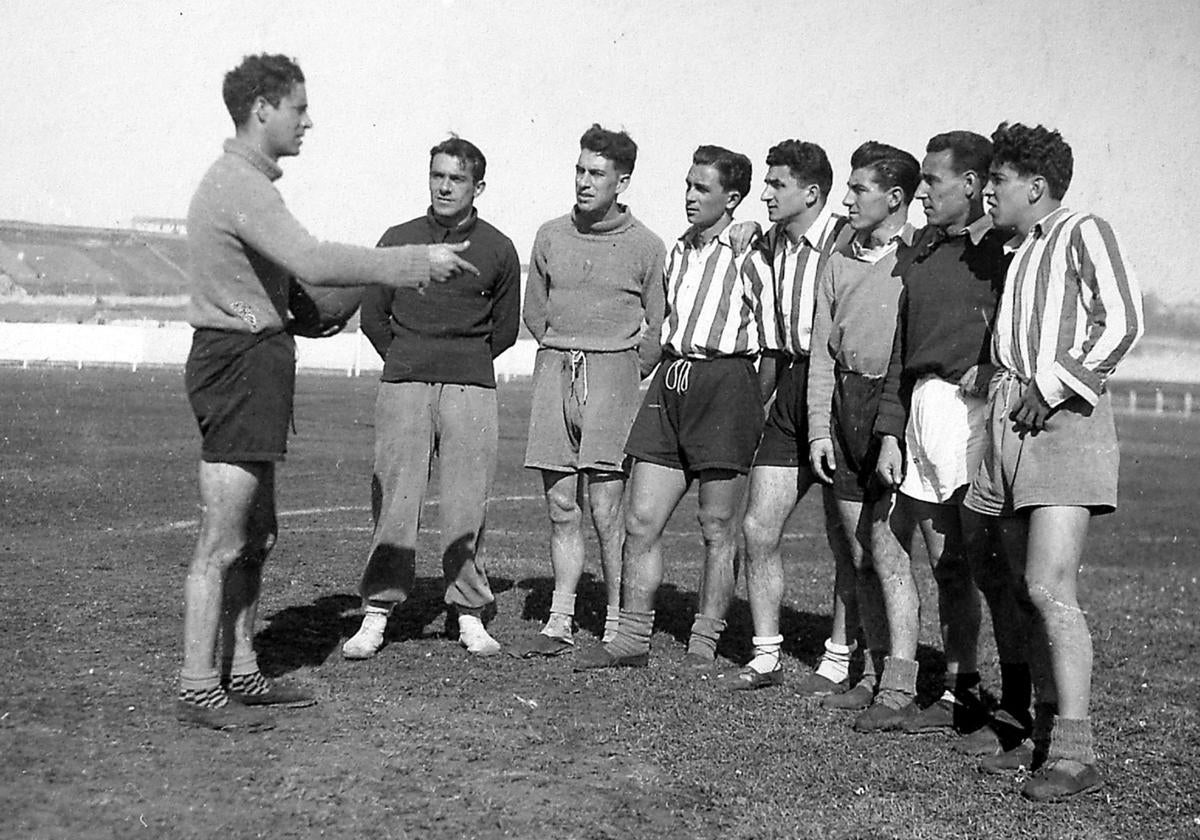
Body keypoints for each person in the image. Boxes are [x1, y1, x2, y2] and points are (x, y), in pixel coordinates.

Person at [179, 53, 477, 731]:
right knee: (222, 540)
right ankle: (199, 687)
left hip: (259, 359)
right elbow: (311, 260)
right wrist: (408, 264)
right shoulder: (238, 183)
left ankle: (244, 672)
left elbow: (289, 289)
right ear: (262, 109)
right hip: (237, 364)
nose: (306, 120)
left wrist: (317, 308)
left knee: (258, 537)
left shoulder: (250, 183)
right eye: (298, 107)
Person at [964, 122, 1143, 802]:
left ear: (1035, 187)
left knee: (1048, 587)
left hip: (1063, 421)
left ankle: (1076, 752)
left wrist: (1052, 383)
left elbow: (1123, 320)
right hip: (1011, 418)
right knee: (1010, 580)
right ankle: (1034, 737)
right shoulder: (1019, 248)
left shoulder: (1083, 229)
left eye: (999, 182)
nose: (988, 194)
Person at [576, 144, 774, 670]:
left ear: (732, 199)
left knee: (716, 527)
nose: (688, 196)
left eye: (701, 189)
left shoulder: (753, 254)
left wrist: (746, 400)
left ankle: (703, 642)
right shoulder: (679, 250)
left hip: (726, 385)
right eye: (687, 185)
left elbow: (773, 345)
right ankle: (632, 638)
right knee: (640, 518)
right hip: (673, 380)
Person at [866, 131, 1030, 738]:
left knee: (988, 566)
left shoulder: (1004, 255)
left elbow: (1022, 337)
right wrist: (889, 431)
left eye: (933, 181)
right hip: (922, 415)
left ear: (970, 184)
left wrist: (991, 371)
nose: (923, 192)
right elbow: (901, 351)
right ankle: (960, 693)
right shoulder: (926, 253)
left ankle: (1013, 700)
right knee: (946, 565)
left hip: (977, 418)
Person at [340, 137, 520, 661]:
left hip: (470, 387)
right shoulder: (399, 239)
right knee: (395, 498)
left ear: (477, 186)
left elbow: (504, 329)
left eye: (457, 179)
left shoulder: (498, 247)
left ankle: (468, 613)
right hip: (405, 384)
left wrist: (459, 361)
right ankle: (377, 612)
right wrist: (408, 358)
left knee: (467, 501)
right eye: (438, 175)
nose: (445, 186)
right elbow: (374, 314)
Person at [517, 124, 667, 656]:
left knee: (607, 511)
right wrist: (563, 347)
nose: (584, 181)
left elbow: (658, 324)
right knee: (561, 506)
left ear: (621, 181)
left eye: (597, 173)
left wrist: (624, 366)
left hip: (613, 379)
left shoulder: (647, 245)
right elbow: (534, 310)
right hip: (555, 370)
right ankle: (558, 620)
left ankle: (613, 620)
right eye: (579, 170)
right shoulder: (550, 234)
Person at [729, 140, 860, 692]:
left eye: (776, 184)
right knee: (758, 525)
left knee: (845, 535)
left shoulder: (845, 239)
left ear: (811, 192)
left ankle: (838, 657)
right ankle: (765, 654)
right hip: (787, 383)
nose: (764, 194)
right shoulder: (768, 242)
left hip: (836, 386)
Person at [805, 142, 919, 726]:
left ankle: (905, 684)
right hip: (844, 407)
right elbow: (823, 352)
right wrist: (819, 431)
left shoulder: (919, 257)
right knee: (857, 552)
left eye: (858, 189)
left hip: (895, 407)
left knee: (891, 551)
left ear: (895, 198)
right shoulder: (837, 259)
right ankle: (872, 671)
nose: (846, 199)